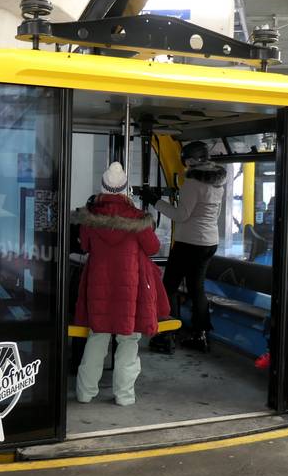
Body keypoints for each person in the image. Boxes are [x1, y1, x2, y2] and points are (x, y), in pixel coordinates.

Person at [72, 162, 169, 406]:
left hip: (98, 286)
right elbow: (153, 248)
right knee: (128, 340)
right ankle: (124, 396)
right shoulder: (138, 219)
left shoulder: (90, 218)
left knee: (97, 338)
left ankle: (85, 393)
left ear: (102, 188)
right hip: (130, 288)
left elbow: (85, 245)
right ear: (126, 190)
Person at [140, 140, 226, 353]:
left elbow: (181, 215)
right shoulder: (217, 183)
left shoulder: (193, 183)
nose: (184, 163)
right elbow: (213, 214)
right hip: (209, 242)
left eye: (185, 159)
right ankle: (200, 335)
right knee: (197, 288)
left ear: (191, 160)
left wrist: (154, 201)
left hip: (190, 242)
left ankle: (167, 334)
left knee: (169, 286)